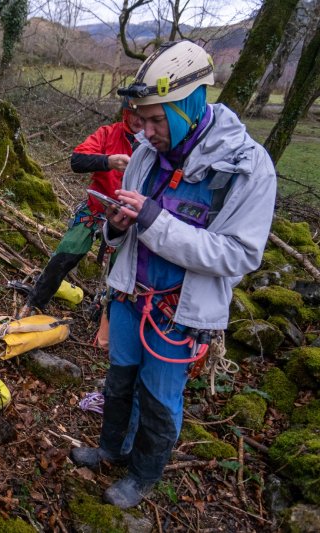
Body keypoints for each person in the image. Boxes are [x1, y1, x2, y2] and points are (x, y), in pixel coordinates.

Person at [69, 40, 277, 508]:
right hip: (129, 296)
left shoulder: (245, 167)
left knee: (160, 397)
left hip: (176, 314)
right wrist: (116, 226)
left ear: (190, 105)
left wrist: (153, 221)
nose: (144, 131)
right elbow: (127, 226)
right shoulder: (145, 153)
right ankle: (112, 447)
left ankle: (141, 477)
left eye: (156, 119)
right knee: (120, 379)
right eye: (140, 119)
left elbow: (240, 254)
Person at [17, 100, 144, 318]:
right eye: (134, 113)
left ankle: (106, 316)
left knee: (120, 272)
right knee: (64, 255)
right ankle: (35, 302)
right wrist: (108, 161)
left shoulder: (155, 146)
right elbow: (77, 160)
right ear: (125, 112)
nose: (139, 119)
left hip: (129, 220)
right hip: (95, 209)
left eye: (144, 114)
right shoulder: (108, 133)